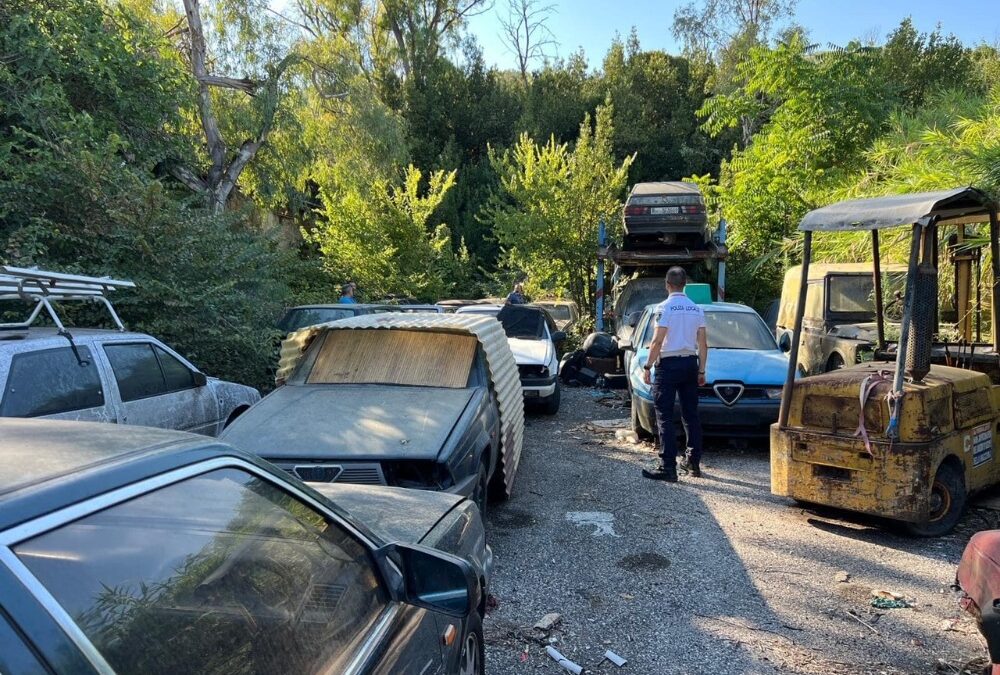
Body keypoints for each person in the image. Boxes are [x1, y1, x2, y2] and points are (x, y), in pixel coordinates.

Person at [640, 267, 708, 482]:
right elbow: (703, 344)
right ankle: (693, 461)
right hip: (690, 363)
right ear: (684, 284)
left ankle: (667, 466)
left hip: (668, 364)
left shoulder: (664, 308)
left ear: (667, 284)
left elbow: (658, 341)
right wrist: (702, 370)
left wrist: (647, 366)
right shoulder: (696, 309)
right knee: (691, 414)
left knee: (665, 415)